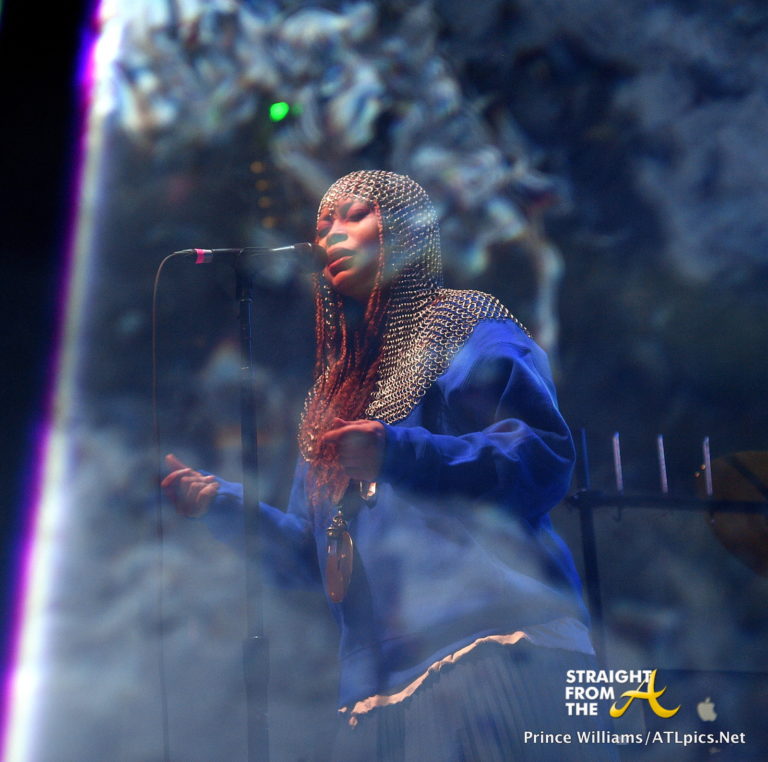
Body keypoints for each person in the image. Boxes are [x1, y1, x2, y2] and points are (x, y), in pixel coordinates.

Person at [163, 170, 617, 760]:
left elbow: (541, 453)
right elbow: (320, 563)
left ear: (404, 231)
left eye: (354, 215)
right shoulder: (334, 399)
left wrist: (398, 452)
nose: (331, 235)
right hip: (377, 692)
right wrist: (223, 508)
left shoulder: (461, 324)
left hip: (495, 642)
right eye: (322, 225)